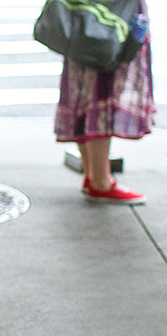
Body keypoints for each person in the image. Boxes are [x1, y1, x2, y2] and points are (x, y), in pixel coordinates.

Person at [55, 0, 155, 203]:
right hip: (111, 16)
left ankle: (93, 176)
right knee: (101, 90)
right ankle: (100, 182)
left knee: (84, 88)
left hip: (84, 15)